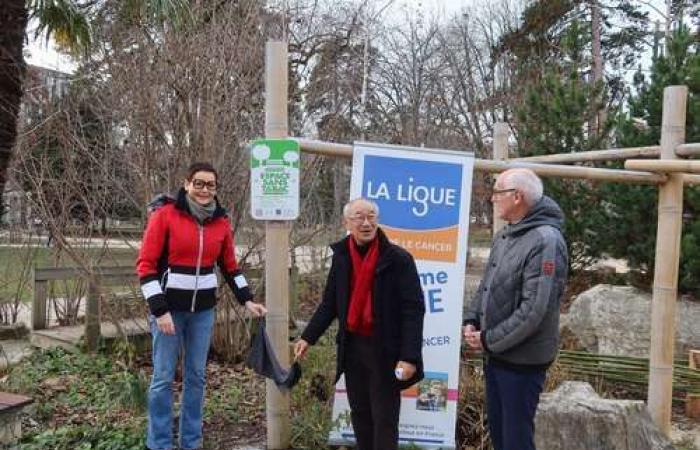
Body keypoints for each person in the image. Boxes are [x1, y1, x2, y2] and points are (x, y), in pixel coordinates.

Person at [137, 162, 267, 450]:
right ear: (187, 184)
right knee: (162, 378)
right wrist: (160, 311)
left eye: (210, 185)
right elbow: (145, 267)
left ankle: (191, 442)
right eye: (199, 183)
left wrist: (247, 300)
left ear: (216, 189)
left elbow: (231, 268)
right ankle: (158, 443)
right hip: (169, 312)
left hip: (203, 313)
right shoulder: (165, 216)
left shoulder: (220, 223)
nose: (204, 189)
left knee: (196, 378)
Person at [294, 198, 425, 450]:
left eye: (371, 216)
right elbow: (329, 304)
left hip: (385, 351)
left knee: (385, 418)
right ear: (347, 222)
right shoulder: (342, 256)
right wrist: (308, 337)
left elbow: (413, 310)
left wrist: (409, 357)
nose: (366, 223)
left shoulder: (398, 259)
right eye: (359, 217)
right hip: (352, 348)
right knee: (361, 414)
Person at [463, 168, 568, 450]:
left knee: (516, 441)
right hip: (497, 356)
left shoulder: (546, 241)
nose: (493, 199)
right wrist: (472, 318)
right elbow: (487, 285)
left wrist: (488, 339)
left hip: (521, 362)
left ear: (517, 196)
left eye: (497, 192)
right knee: (501, 437)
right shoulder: (506, 236)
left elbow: (535, 310)